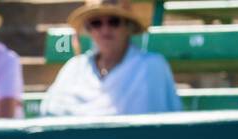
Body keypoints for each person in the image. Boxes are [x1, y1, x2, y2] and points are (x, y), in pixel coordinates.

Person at [41, 0, 181, 116]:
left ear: (128, 26)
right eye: (96, 23)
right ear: (89, 29)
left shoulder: (151, 67)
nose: (105, 29)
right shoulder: (73, 68)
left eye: (114, 22)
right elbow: (50, 114)